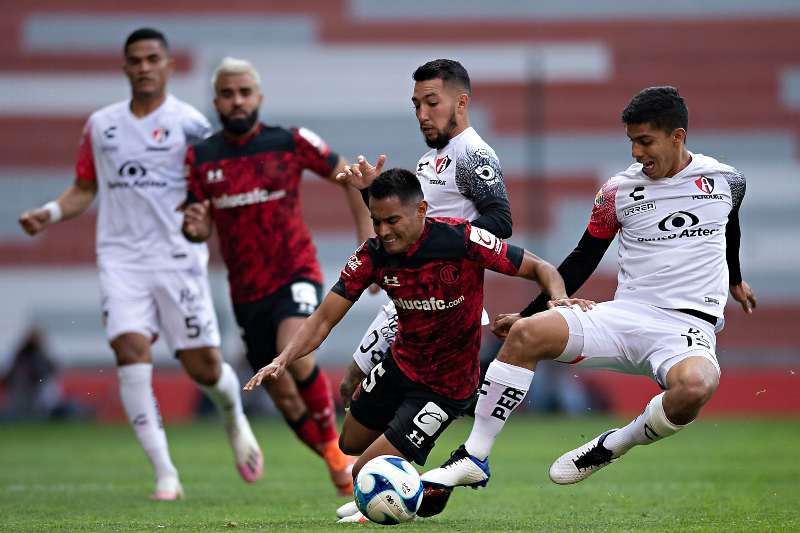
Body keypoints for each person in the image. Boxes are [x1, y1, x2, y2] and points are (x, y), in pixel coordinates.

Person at [421, 86, 757, 502]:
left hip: (687, 327)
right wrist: (526, 314)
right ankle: (474, 457)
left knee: (695, 389)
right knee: (527, 336)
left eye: (645, 141)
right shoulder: (616, 191)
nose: (636, 152)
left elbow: (730, 229)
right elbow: (582, 259)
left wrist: (735, 280)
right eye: (631, 141)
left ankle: (615, 443)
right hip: (626, 315)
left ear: (677, 136)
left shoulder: (728, 181)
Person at [243, 168, 593, 524]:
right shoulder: (373, 255)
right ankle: (400, 473)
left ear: (422, 210)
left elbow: (541, 268)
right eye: (376, 222)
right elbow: (322, 319)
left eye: (392, 220)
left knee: (363, 471)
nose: (383, 231)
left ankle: (394, 490)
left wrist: (560, 298)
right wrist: (283, 358)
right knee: (348, 442)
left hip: (446, 386)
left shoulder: (462, 240)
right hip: (400, 365)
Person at [17, 29, 262, 501]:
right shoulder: (101, 126)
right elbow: (84, 187)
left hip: (177, 260)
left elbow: (214, 184)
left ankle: (234, 417)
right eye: (136, 60)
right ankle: (165, 472)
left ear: (168, 65)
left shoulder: (190, 124)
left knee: (204, 367)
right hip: (121, 259)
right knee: (130, 352)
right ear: (125, 67)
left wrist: (204, 216)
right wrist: (47, 213)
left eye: (153, 59)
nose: (144, 67)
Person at [181, 57, 374, 496]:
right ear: (217, 101)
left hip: (294, 272)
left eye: (244, 92)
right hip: (246, 292)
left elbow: (350, 177)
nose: (237, 101)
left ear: (258, 97)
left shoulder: (288, 141)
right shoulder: (201, 157)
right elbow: (196, 222)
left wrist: (368, 244)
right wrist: (193, 227)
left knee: (297, 351)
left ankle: (342, 453)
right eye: (228, 94)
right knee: (283, 394)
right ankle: (334, 456)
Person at [336, 58, 512, 413]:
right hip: (409, 296)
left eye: (432, 102)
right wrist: (369, 192)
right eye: (417, 105)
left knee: (403, 402)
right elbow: (411, 228)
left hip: (446, 303)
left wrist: (444, 243)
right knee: (350, 387)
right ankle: (373, 466)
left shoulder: (473, 154)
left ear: (461, 103)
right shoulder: (427, 161)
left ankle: (401, 463)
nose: (422, 114)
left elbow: (501, 220)